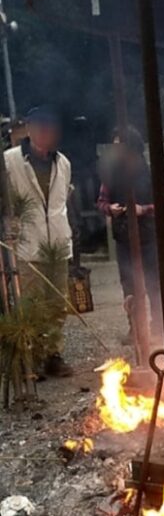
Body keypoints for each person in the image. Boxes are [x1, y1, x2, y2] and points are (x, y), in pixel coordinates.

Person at [4, 106, 73, 377]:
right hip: (28, 243)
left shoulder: (63, 163)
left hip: (57, 241)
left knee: (57, 303)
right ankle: (30, 358)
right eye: (40, 126)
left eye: (50, 128)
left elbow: (62, 201)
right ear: (29, 128)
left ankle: (52, 354)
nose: (45, 132)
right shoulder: (9, 162)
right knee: (31, 303)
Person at [97, 126, 162, 341]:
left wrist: (145, 209)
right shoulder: (112, 173)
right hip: (124, 237)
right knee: (130, 286)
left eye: (120, 146)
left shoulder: (151, 172)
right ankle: (135, 329)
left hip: (149, 237)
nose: (116, 151)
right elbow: (102, 200)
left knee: (155, 284)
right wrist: (110, 209)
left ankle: (160, 326)